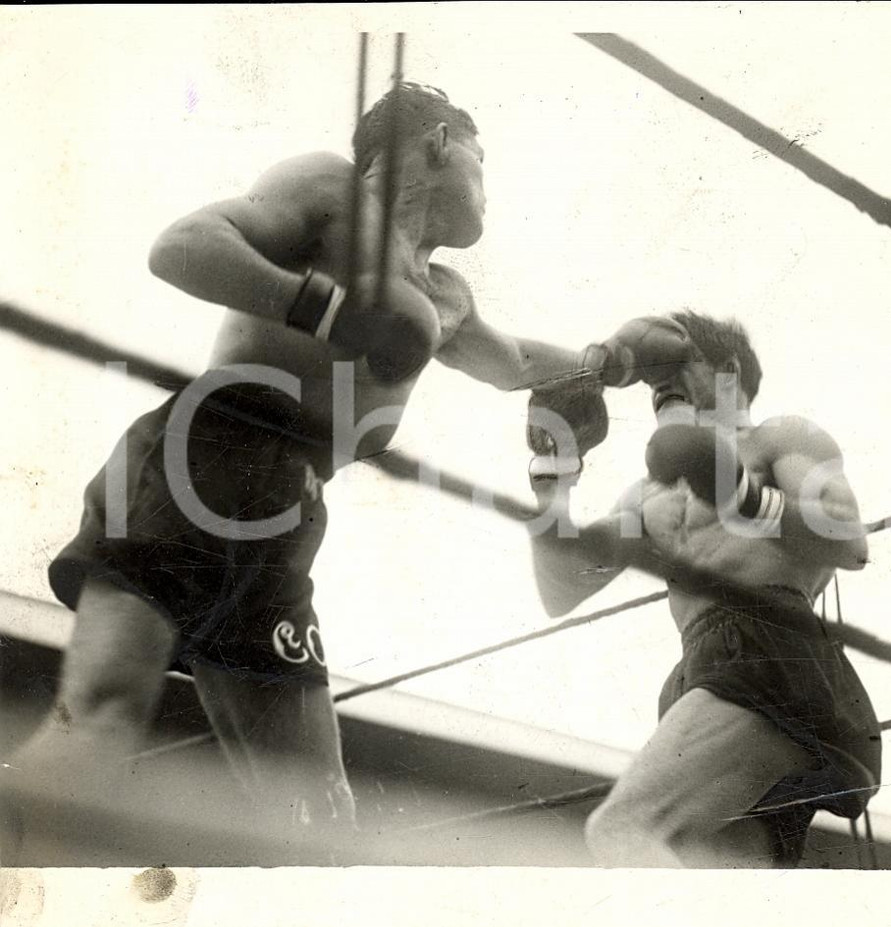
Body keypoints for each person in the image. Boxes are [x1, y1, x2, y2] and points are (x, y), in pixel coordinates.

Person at [4, 83, 612, 865]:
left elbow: (520, 363)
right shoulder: (329, 188)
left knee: (317, 821)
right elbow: (181, 244)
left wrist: (613, 360)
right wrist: (328, 312)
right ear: (436, 141)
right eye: (480, 158)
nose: (489, 186)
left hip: (291, 511)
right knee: (99, 719)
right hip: (209, 447)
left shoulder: (446, 294)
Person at [525, 310, 882, 868]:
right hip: (705, 665)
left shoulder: (778, 438)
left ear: (729, 369)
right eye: (649, 377)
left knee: (624, 829)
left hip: (771, 647)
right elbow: (562, 590)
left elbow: (850, 541)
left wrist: (741, 496)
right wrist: (554, 474)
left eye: (676, 362)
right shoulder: (648, 491)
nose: (656, 381)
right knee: (713, 874)